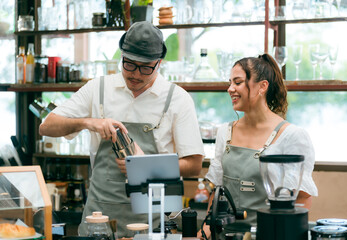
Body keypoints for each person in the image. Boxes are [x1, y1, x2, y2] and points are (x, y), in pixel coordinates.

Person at [39, 21, 204, 237]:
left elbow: (194, 165)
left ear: (159, 63)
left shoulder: (177, 99)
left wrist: (147, 167)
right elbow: (46, 126)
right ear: (122, 56)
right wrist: (90, 122)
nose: (135, 74)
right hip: (98, 219)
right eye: (129, 64)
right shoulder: (98, 88)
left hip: (151, 222)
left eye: (145, 68)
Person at [199, 53, 318, 238]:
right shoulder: (225, 132)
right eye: (229, 83)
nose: (230, 89)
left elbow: (302, 199)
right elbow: (217, 190)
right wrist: (207, 226)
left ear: (262, 86)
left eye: (237, 82)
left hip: (267, 234)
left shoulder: (291, 136)